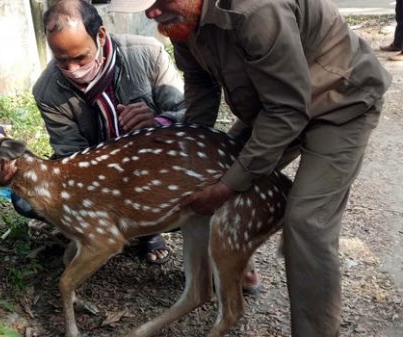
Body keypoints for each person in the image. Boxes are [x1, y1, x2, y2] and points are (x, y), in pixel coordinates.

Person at [109, 0, 391, 336]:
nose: (151, 13)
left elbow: (288, 111)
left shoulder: (256, 10)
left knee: (307, 222)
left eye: (159, 1)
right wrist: (188, 158)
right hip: (271, 108)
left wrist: (228, 186)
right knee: (212, 173)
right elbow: (201, 85)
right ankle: (238, 269)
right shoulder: (181, 19)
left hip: (340, 103)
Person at [27, 0, 189, 265]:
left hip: (154, 168)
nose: (73, 70)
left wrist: (157, 122)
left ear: (100, 35)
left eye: (81, 57)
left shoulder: (147, 53)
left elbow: (187, 113)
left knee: (202, 188)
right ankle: (109, 228)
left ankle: (148, 228)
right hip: (99, 178)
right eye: (62, 60)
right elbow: (70, 154)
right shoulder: (47, 91)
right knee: (26, 201)